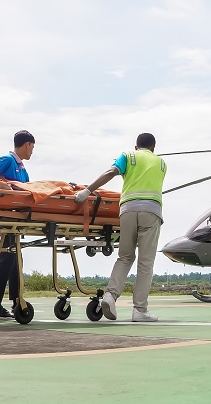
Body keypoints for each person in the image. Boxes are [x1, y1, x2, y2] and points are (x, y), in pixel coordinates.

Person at [74, 133, 166, 322]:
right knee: (145, 262)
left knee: (125, 257)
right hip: (151, 212)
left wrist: (86, 191)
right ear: (154, 148)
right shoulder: (162, 164)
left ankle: (110, 296)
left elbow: (110, 173)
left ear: (136, 146)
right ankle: (140, 310)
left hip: (128, 211)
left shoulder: (128, 156)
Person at [0, 130, 35, 318]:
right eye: (32, 148)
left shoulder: (23, 170)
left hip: (16, 219)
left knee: (15, 259)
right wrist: (5, 183)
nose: (32, 152)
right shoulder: (8, 160)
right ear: (27, 145)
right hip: (5, 217)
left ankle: (16, 301)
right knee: (7, 257)